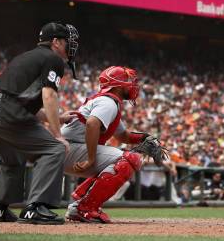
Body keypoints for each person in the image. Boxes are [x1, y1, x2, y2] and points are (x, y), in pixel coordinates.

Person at [0, 21, 79, 224]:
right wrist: (58, 134)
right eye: (66, 41)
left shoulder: (28, 56)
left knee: (14, 157)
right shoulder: (53, 58)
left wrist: (58, 118)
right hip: (4, 111)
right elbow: (49, 94)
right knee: (54, 148)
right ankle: (35, 208)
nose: (70, 46)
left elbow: (19, 101)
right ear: (55, 42)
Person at [61, 66, 167, 223]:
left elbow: (123, 136)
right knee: (129, 159)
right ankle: (85, 208)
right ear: (117, 85)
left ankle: (81, 204)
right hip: (69, 148)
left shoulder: (108, 102)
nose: (132, 85)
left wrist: (146, 137)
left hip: (69, 148)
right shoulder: (108, 102)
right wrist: (90, 159)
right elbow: (92, 123)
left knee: (124, 157)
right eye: (127, 81)